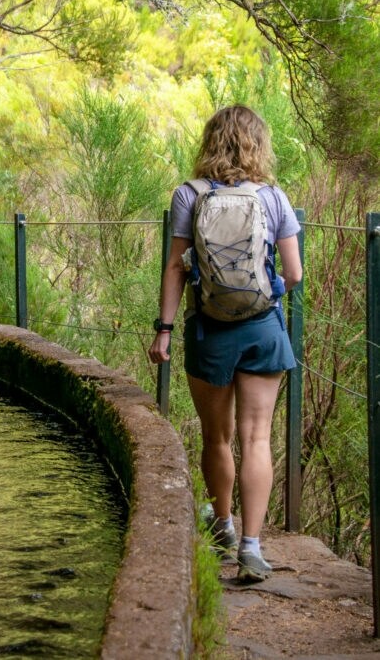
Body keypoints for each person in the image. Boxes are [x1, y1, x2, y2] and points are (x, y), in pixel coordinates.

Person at [148, 104, 302, 583]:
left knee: (218, 437)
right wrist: (268, 291)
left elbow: (175, 267)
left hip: (208, 330)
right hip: (263, 331)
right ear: (259, 143)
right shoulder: (274, 197)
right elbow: (294, 274)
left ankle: (225, 525)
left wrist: (165, 330)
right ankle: (253, 550)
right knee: (258, 438)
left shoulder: (188, 195)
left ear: (209, 141)